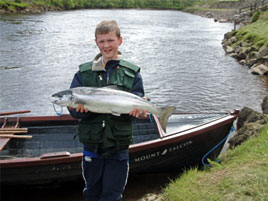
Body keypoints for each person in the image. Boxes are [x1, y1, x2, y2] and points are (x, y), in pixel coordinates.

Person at [68, 20, 147, 201]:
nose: (106, 46)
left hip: (118, 146)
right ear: (96, 43)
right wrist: (80, 110)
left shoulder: (132, 73)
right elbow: (73, 112)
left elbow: (138, 104)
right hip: (91, 145)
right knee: (91, 193)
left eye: (110, 40)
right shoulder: (83, 74)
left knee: (112, 195)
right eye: (101, 41)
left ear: (120, 41)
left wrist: (139, 112)